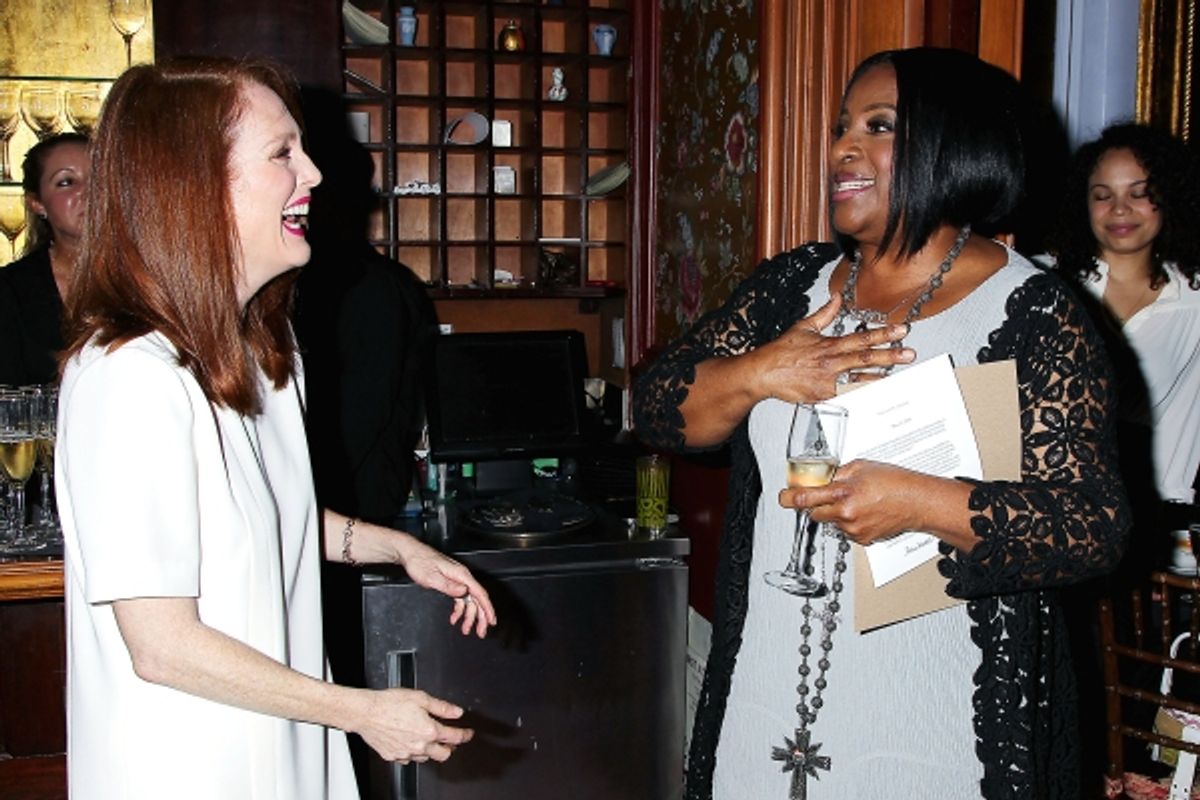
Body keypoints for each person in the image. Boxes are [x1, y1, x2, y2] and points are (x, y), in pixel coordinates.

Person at [634, 47, 1129, 800]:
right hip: (768, 691)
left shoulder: (1033, 312)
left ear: (952, 145)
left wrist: (919, 502)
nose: (842, 147)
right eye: (841, 127)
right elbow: (659, 410)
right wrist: (760, 371)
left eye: (879, 126)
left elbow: (1092, 526)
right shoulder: (790, 286)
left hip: (933, 707)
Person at [57, 58, 496, 800]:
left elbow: (254, 514)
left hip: (284, 746)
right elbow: (162, 646)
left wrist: (395, 548)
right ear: (194, 184)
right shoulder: (128, 376)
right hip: (192, 768)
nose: (316, 174)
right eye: (282, 153)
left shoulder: (265, 347)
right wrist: (358, 713)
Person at [1045, 123, 1200, 512]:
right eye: (1103, 195)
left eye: (1139, 194)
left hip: (1166, 527)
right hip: (1064, 517)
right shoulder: (1041, 285)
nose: (1119, 209)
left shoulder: (1193, 297)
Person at [0, 132, 88, 386]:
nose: (88, 191)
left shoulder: (151, 281)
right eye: (66, 182)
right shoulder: (11, 291)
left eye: (99, 178)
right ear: (37, 203)